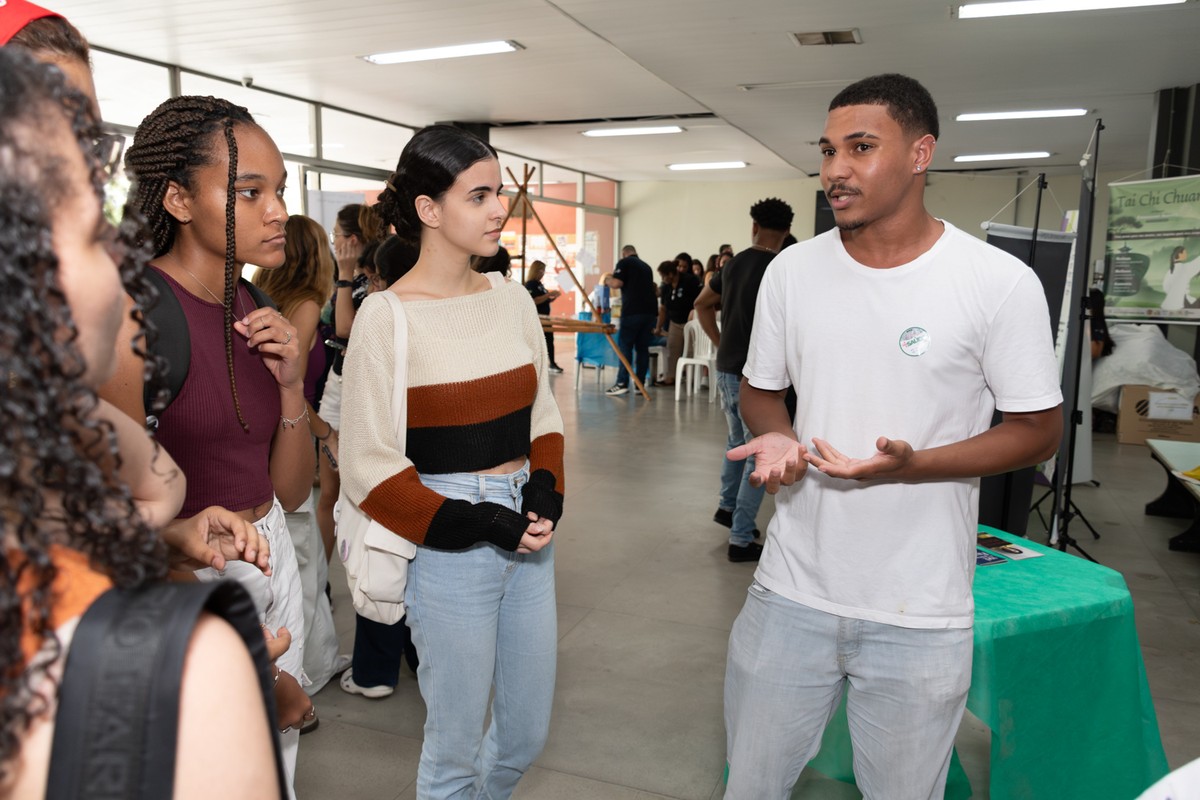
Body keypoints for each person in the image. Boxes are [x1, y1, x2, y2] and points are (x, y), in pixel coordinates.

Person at [722, 74, 1063, 800]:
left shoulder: (995, 282)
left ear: (920, 153)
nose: (835, 169)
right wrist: (778, 436)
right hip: (790, 591)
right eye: (827, 150)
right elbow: (760, 386)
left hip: (921, 607)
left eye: (861, 147)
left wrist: (914, 467)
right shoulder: (793, 271)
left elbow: (1038, 431)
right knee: (750, 787)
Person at [0, 47, 280, 800]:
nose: (124, 266)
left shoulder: (252, 313)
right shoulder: (175, 665)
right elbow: (151, 481)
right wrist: (243, 690)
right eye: (97, 236)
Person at [340, 125, 564, 800]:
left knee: (524, 731)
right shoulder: (387, 318)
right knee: (456, 746)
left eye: (499, 192)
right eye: (479, 196)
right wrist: (480, 522)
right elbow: (367, 466)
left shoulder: (510, 298)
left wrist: (546, 488)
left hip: (526, 520)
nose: (499, 209)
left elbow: (544, 413)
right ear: (429, 210)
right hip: (445, 535)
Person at [102, 95, 316, 797]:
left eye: (279, 189)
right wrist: (240, 658)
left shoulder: (254, 308)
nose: (276, 209)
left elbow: (290, 491)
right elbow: (109, 522)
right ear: (179, 198)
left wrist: (290, 389)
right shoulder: (141, 318)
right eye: (250, 191)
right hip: (189, 584)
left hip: (271, 554)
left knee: (274, 771)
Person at [252, 214, 347, 702]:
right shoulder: (307, 306)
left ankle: (311, 659)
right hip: (293, 430)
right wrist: (326, 434)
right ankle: (306, 667)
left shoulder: (261, 300)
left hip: (270, 431)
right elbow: (292, 388)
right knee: (302, 555)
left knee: (291, 554)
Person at [695, 197, 794, 562]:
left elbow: (702, 303)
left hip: (726, 368)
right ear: (786, 232)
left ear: (754, 227)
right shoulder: (783, 267)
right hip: (757, 377)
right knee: (759, 453)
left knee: (737, 443)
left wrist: (721, 343)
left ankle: (726, 507)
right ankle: (740, 538)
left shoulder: (733, 264)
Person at [318, 203, 386, 565]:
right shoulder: (357, 275)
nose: (334, 243)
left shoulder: (367, 278)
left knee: (355, 492)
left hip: (358, 386)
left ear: (352, 240)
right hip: (339, 380)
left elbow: (346, 328)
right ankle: (321, 583)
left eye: (337, 237)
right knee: (329, 493)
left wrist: (345, 274)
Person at [605, 244, 657, 396]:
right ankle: (639, 384)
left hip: (632, 312)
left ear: (624, 254)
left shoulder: (625, 262)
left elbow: (617, 283)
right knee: (642, 349)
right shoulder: (647, 267)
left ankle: (622, 382)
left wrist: (608, 279)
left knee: (625, 347)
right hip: (649, 313)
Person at [524, 258, 564, 373]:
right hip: (537, 319)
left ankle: (552, 363)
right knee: (538, 343)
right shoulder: (531, 284)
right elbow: (534, 300)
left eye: (544, 271)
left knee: (550, 341)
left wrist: (552, 297)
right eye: (541, 271)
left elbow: (544, 300)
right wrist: (548, 295)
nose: (543, 274)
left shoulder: (540, 284)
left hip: (546, 318)